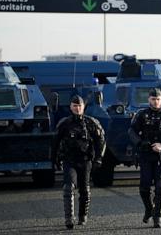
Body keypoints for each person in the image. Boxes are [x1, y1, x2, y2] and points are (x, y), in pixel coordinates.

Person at [128, 88, 161, 228]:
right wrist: (140, 142)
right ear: (148, 99)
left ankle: (158, 217)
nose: (155, 101)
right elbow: (131, 131)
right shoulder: (141, 114)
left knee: (160, 186)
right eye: (153, 99)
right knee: (144, 187)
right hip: (145, 153)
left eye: (158, 99)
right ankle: (149, 209)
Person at [53, 95, 106, 230]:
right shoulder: (64, 123)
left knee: (84, 190)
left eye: (80, 106)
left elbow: (101, 141)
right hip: (69, 160)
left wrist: (99, 158)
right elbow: (55, 142)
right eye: (75, 106)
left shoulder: (91, 123)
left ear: (84, 107)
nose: (77, 108)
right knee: (68, 187)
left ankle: (82, 215)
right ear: (70, 107)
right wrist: (54, 159)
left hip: (85, 160)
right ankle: (69, 218)